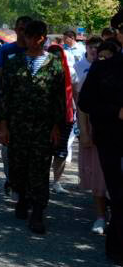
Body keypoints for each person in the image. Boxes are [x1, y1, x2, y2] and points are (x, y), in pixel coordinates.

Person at [0, 20, 69, 234]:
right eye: (30, 36)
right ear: (25, 38)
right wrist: (3, 125)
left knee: (39, 169)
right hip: (18, 126)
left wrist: (57, 126)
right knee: (18, 166)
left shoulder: (54, 63)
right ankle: (22, 199)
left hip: (43, 127)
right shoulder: (14, 62)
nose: (34, 41)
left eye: (38, 37)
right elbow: (6, 97)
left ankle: (38, 212)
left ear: (43, 38)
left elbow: (59, 98)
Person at [79, 10, 123, 265]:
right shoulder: (104, 67)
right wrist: (115, 110)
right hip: (114, 139)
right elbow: (86, 102)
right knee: (119, 194)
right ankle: (116, 246)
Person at [0, 15, 33, 196]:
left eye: (27, 29)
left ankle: (26, 188)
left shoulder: (40, 52)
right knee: (8, 151)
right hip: (10, 110)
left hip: (34, 113)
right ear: (16, 30)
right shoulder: (6, 51)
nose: (23, 32)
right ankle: (12, 180)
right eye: (20, 28)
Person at [74, 36, 107, 234]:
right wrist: (83, 132)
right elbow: (82, 107)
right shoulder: (87, 73)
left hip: (113, 133)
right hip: (96, 132)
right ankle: (100, 216)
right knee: (98, 175)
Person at [46, 44, 76, 195]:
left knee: (61, 152)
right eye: (52, 55)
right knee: (44, 151)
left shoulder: (70, 71)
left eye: (58, 55)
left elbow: (75, 94)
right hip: (45, 118)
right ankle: (42, 181)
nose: (55, 59)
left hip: (66, 117)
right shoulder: (43, 71)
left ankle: (56, 182)